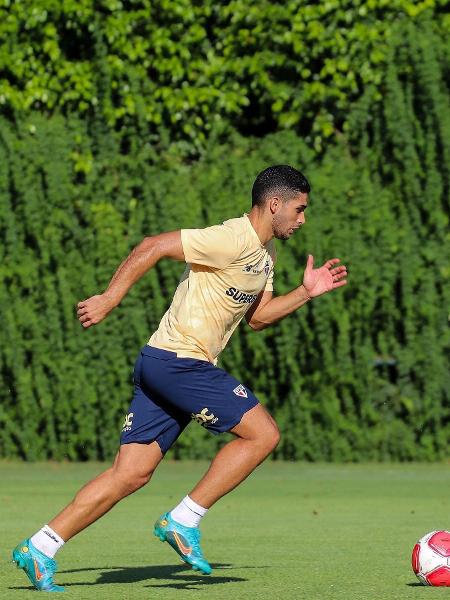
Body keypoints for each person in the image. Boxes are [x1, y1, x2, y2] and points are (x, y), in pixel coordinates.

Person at [12, 165, 347, 592]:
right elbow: (153, 246)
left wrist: (303, 294)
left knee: (130, 474)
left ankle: (40, 547)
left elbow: (258, 318)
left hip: (163, 364)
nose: (302, 219)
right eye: (299, 210)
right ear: (274, 204)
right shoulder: (232, 238)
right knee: (263, 435)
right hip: (179, 362)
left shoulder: (266, 256)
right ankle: (183, 520)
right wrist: (109, 298)